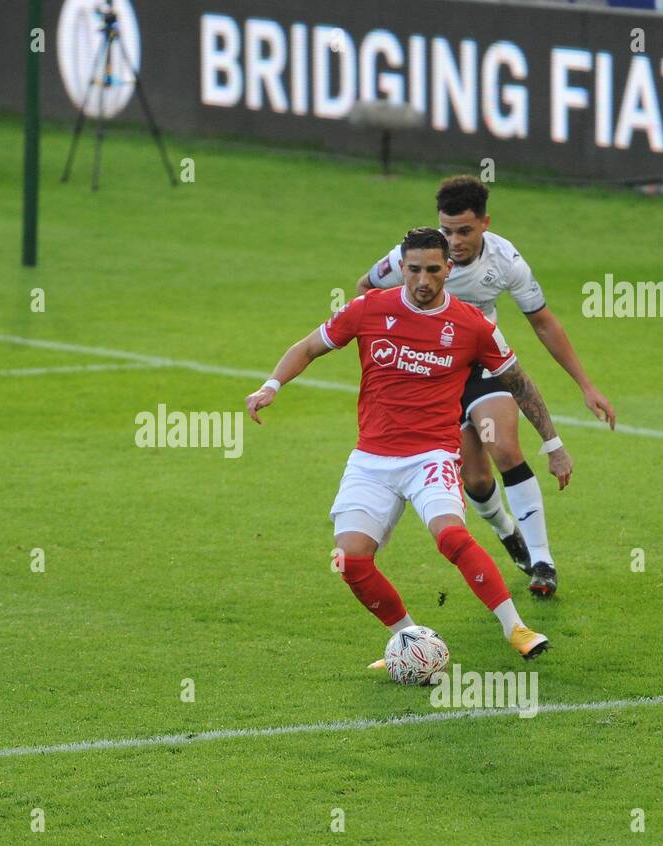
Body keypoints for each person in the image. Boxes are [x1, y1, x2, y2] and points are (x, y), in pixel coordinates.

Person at [250, 228, 572, 661]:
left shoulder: (471, 325)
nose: (423, 280)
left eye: (433, 270)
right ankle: (409, 638)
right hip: (370, 460)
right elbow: (309, 346)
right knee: (350, 560)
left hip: (431, 455)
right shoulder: (369, 308)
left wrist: (553, 443)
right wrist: (271, 385)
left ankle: (515, 628)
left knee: (451, 537)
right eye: (415, 270)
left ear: (448, 270)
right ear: (401, 268)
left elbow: (518, 381)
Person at [356, 176, 614, 597]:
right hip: (435, 374)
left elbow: (543, 321)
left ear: (485, 224)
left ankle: (542, 561)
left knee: (506, 450)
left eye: (465, 231)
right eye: (447, 230)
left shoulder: (506, 261)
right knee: (475, 481)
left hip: (484, 367)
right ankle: (507, 532)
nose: (454, 241)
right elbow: (366, 290)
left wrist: (585, 385)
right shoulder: (417, 259)